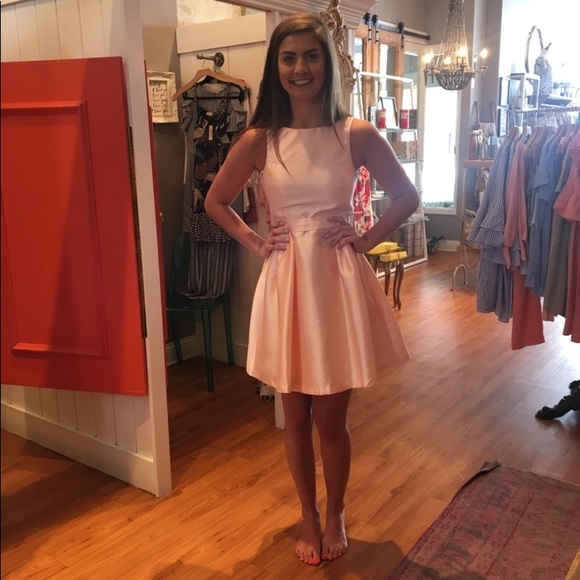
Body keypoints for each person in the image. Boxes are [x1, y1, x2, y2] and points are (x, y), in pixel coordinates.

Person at [205, 13, 420, 566]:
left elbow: (406, 196)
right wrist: (257, 243)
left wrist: (364, 239)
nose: (300, 68)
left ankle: (337, 510)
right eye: (289, 58)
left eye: (311, 56)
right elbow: (215, 201)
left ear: (327, 63)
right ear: (275, 67)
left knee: (330, 419)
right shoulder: (259, 139)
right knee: (294, 417)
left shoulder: (355, 133)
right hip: (286, 283)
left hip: (335, 280)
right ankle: (308, 513)